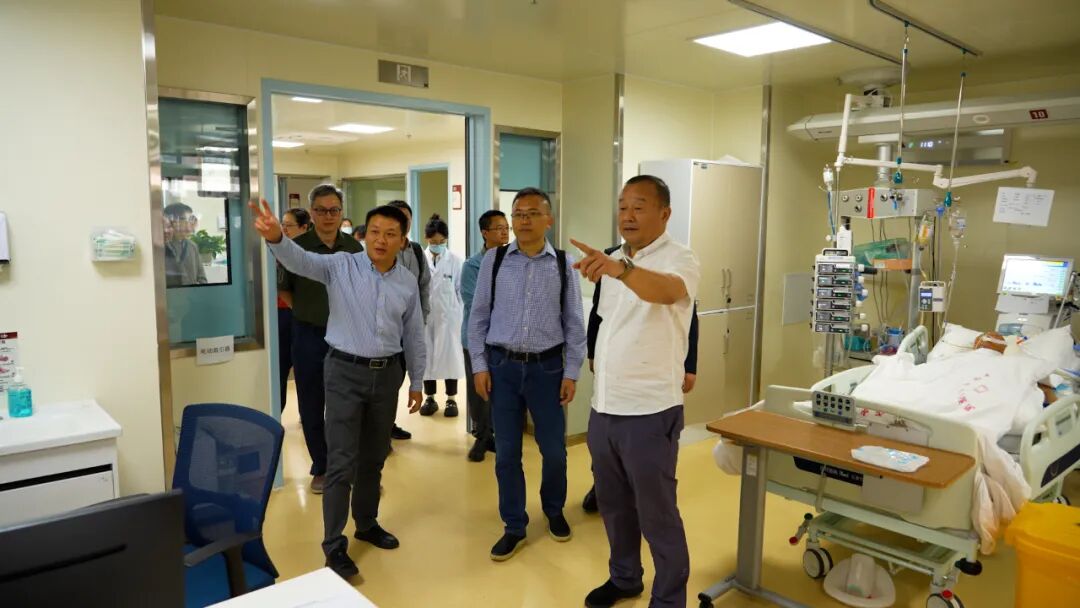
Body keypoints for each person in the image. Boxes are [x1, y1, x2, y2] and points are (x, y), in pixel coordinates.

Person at [251, 199, 426, 581]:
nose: (381, 240)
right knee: (341, 461)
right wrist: (277, 237)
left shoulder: (406, 280)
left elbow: (414, 332)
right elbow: (301, 261)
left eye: (390, 234)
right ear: (364, 235)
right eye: (375, 232)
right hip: (345, 371)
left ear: (402, 240)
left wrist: (417, 380)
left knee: (374, 458)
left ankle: (366, 523)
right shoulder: (342, 265)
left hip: (387, 375)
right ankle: (333, 544)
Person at [572, 175, 700, 608]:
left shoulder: (681, 259)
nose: (627, 215)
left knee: (657, 514)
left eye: (638, 206)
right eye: (623, 205)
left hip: (650, 410)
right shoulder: (612, 260)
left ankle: (669, 600)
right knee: (614, 506)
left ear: (664, 213)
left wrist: (621, 270)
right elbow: (606, 320)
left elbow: (666, 292)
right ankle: (625, 577)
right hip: (605, 407)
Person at [468, 187, 586, 561]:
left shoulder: (564, 264)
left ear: (548, 219)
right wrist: (479, 365)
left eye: (533, 213)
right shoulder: (495, 261)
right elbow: (478, 316)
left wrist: (571, 372)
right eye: (518, 213)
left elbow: (574, 323)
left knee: (554, 451)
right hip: (501, 368)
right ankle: (514, 525)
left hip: (547, 369)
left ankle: (553, 510)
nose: (523, 220)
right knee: (506, 453)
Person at [580, 272, 699, 513]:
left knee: (646, 449)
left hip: (651, 373)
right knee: (606, 439)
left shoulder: (668, 265)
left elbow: (689, 319)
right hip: (614, 371)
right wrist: (592, 351)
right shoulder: (611, 261)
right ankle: (601, 486)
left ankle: (645, 495)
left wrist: (690, 366)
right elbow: (598, 312)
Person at [278, 185, 362, 493]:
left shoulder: (354, 248)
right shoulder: (296, 247)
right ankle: (322, 466)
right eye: (322, 210)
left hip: (347, 335)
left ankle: (347, 465)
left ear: (341, 212)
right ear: (312, 213)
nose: (328, 216)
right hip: (309, 333)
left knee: (347, 404)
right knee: (312, 402)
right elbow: (284, 288)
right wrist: (306, 310)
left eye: (334, 210)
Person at [456, 209, 510, 462]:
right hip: (477, 339)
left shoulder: (514, 260)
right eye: (499, 228)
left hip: (504, 338)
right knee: (479, 388)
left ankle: (493, 434)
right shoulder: (472, 265)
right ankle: (481, 435)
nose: (505, 232)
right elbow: (474, 301)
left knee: (500, 388)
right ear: (485, 233)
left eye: (506, 227)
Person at [385, 200, 431, 441]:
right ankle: (379, 428)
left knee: (398, 376)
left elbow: (424, 285)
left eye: (407, 219)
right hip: (386, 328)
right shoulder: (380, 249)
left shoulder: (416, 251)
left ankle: (388, 423)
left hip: (409, 327)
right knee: (385, 378)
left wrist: (422, 317)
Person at [419, 214, 466, 417]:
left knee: (450, 358)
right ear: (426, 239)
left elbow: (460, 292)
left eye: (441, 241)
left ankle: (451, 399)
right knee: (426, 358)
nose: (437, 245)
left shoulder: (455, 261)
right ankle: (429, 398)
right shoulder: (420, 259)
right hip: (425, 319)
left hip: (449, 319)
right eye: (433, 242)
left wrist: (457, 316)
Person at [277, 207, 312, 412]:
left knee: (306, 371)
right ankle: (276, 414)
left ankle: (308, 415)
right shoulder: (277, 249)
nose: (284, 229)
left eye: (289, 225)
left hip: (306, 318)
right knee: (280, 370)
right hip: (281, 315)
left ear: (304, 227)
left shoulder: (312, 254)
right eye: (283, 225)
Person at [163, 202, 208, 287]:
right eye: (185, 221)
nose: (189, 226)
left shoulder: (193, 246)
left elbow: (202, 278)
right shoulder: (161, 247)